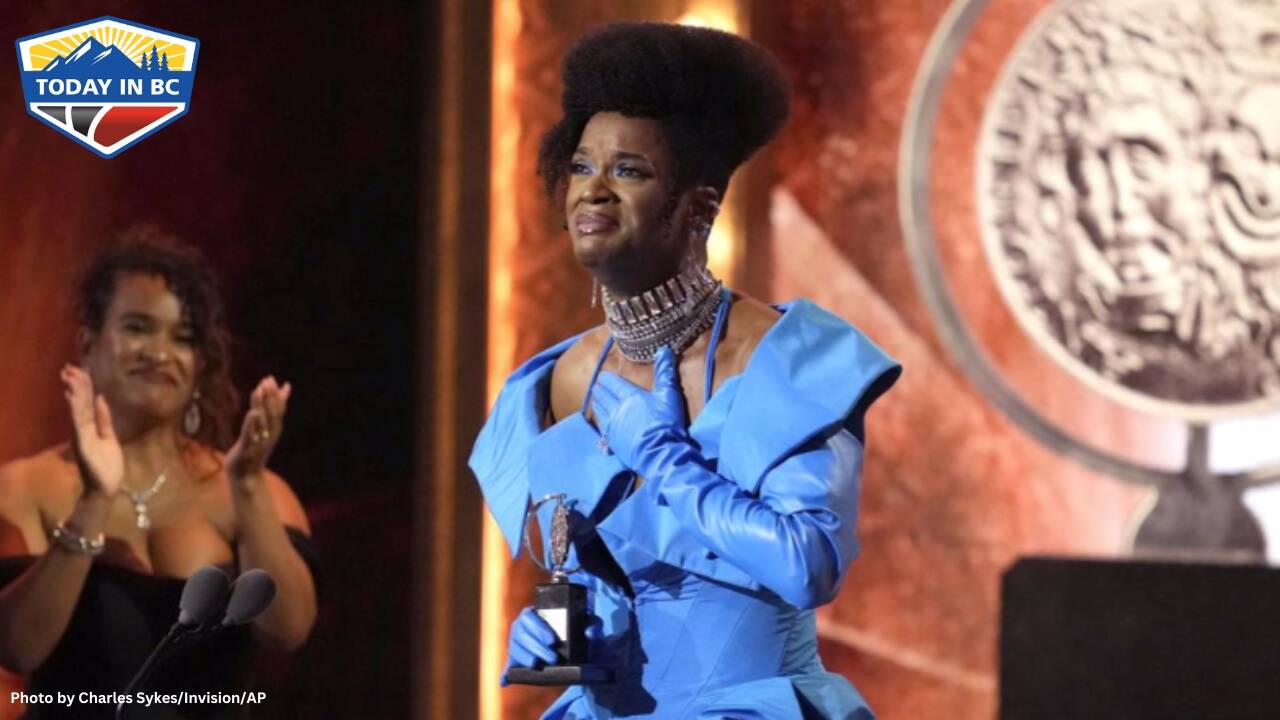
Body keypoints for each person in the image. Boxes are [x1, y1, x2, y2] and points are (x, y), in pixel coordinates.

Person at [470, 22, 901, 719]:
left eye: (629, 171)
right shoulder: (557, 381)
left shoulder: (786, 358)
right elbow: (580, 581)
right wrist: (559, 640)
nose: (594, 191)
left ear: (698, 206)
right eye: (581, 166)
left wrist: (666, 460)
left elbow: (807, 566)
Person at [0, 231, 318, 718]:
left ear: (199, 365)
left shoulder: (255, 491)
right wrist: (93, 500)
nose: (161, 351)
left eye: (183, 337)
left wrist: (248, 487)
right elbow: (18, 648)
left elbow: (287, 631)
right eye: (138, 327)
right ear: (88, 344)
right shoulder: (26, 485)